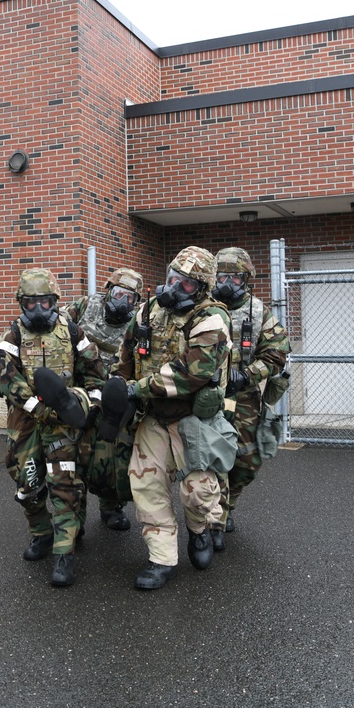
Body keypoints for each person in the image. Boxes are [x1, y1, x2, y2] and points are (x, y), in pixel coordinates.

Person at [112, 246, 234, 590]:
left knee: (197, 491)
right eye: (171, 279)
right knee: (148, 487)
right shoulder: (148, 312)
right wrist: (119, 385)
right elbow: (126, 355)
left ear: (202, 288)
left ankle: (199, 531)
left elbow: (192, 372)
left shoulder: (212, 319)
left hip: (193, 418)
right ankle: (162, 558)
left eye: (185, 283)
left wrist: (137, 388)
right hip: (153, 416)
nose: (174, 287)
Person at [0, 267, 107, 587]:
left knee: (65, 484)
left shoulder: (73, 332)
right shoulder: (12, 336)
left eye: (44, 302)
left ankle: (64, 553)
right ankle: (41, 533)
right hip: (27, 420)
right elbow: (8, 381)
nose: (38, 309)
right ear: (20, 304)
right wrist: (40, 408)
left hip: (63, 423)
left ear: (55, 301)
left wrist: (85, 406)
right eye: (30, 303)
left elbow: (95, 374)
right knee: (27, 484)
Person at [211, 247, 292, 544]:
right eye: (221, 276)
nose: (226, 282)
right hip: (208, 397)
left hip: (244, 397)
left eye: (234, 276)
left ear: (246, 279)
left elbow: (278, 352)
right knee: (210, 458)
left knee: (246, 461)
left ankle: (228, 505)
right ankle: (214, 521)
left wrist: (248, 374)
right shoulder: (203, 308)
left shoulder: (258, 312)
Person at [66, 267, 144, 531]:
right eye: (120, 294)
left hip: (114, 397)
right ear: (109, 290)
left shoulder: (139, 323)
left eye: (130, 298)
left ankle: (111, 507)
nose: (123, 302)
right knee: (74, 452)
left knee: (110, 454)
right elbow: (59, 327)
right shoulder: (86, 306)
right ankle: (73, 515)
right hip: (82, 391)